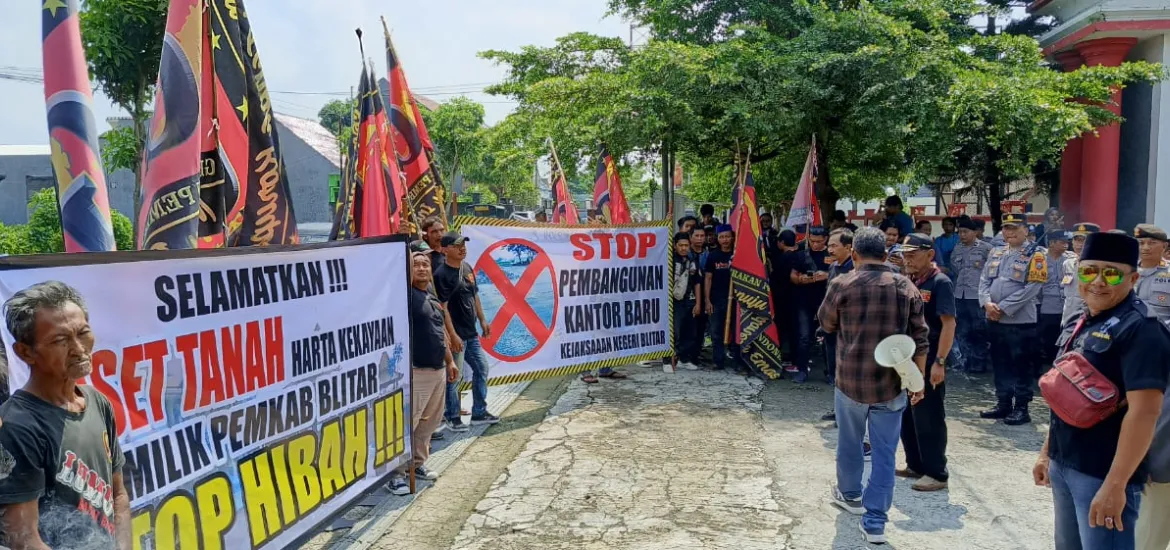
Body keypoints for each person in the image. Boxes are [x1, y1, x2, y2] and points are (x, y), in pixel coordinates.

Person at [1033, 231, 1170, 550]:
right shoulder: (1088, 319)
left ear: (1133, 278)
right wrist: (1046, 453)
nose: (1097, 281)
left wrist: (1116, 484)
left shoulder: (1143, 330)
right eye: (1088, 270)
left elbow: (1145, 413)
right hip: (1065, 463)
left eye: (1111, 273)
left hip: (1102, 473)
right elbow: (1068, 394)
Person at [818, 227, 930, 545]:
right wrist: (917, 382)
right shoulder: (904, 286)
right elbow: (920, 339)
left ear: (853, 254)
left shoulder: (841, 283)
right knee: (884, 454)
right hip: (892, 385)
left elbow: (826, 323)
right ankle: (876, 522)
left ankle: (850, 495)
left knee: (850, 443)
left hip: (850, 382)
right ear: (886, 255)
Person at [0, 282, 131, 549]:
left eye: (83, 333)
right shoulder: (16, 427)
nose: (79, 349)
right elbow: (23, 538)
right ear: (25, 352)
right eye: (60, 340)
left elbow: (118, 495)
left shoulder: (97, 402)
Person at [389, 252, 461, 495]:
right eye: (415, 265)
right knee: (407, 423)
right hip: (415, 371)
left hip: (438, 369)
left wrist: (449, 361)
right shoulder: (404, 297)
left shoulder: (430, 295)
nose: (421, 268)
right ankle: (396, 474)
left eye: (425, 264)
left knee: (428, 423)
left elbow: (439, 332)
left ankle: (415, 464)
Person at [898, 234, 957, 492]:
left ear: (930, 254)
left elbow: (948, 324)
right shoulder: (909, 281)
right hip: (908, 356)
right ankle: (916, 464)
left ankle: (936, 472)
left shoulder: (939, 282)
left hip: (931, 356)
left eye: (913, 254)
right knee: (908, 414)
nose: (907, 259)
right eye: (905, 254)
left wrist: (940, 362)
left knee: (929, 415)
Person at [979, 213, 1046, 425]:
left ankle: (1022, 408)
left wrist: (1004, 307)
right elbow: (984, 280)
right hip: (994, 318)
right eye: (1006, 228)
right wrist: (987, 303)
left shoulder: (1036, 254)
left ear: (1026, 230)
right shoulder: (996, 252)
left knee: (1021, 365)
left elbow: (1033, 287)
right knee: (1000, 363)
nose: (1010, 232)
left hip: (1020, 321)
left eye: (1015, 228)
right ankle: (1003, 403)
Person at [434, 232, 505, 425]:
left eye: (463, 244)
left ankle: (479, 412)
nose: (462, 248)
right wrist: (453, 335)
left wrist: (482, 320)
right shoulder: (441, 275)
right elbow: (443, 308)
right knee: (454, 377)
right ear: (445, 249)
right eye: (457, 245)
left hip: (471, 333)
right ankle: (452, 416)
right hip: (457, 336)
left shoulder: (467, 268)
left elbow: (475, 296)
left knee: (481, 368)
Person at [950, 218, 993, 373]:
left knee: (979, 330)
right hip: (959, 295)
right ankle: (966, 361)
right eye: (960, 232)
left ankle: (979, 363)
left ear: (975, 232)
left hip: (977, 295)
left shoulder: (986, 248)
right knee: (962, 330)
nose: (962, 235)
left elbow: (992, 272)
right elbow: (955, 268)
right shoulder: (957, 248)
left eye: (965, 232)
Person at [820, 229, 855, 422]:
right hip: (831, 327)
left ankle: (849, 413)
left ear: (849, 248)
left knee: (847, 371)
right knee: (834, 369)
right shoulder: (833, 267)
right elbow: (828, 297)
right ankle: (838, 408)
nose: (830, 249)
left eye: (834, 246)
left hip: (849, 329)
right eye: (829, 245)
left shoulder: (856, 269)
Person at [790, 226, 831, 383]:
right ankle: (801, 370)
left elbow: (845, 275)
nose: (815, 244)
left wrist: (826, 275)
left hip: (826, 301)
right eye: (812, 241)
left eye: (818, 241)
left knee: (828, 338)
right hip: (804, 301)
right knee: (804, 337)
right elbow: (792, 276)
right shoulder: (801, 255)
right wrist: (801, 279)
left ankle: (831, 372)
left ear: (826, 240)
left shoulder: (832, 256)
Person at [1036, 230, 1073, 378]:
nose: (1066, 244)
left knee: (1062, 338)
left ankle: (1058, 369)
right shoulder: (1040, 260)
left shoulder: (1070, 260)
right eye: (1061, 241)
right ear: (1051, 243)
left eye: (1066, 241)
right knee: (1045, 338)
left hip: (1066, 305)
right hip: (1046, 304)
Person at [705, 225, 740, 372]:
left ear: (732, 237)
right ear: (717, 239)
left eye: (727, 236)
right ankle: (718, 361)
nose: (725, 240)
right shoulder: (713, 255)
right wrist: (707, 300)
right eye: (721, 237)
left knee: (737, 330)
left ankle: (738, 361)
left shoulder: (738, 254)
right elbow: (708, 278)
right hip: (716, 300)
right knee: (716, 332)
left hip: (736, 300)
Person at [671, 232, 703, 371]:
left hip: (690, 300)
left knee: (690, 332)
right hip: (675, 300)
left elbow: (697, 282)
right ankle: (670, 359)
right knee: (675, 331)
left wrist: (698, 303)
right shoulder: (670, 260)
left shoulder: (693, 259)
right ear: (674, 246)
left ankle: (684, 358)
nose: (684, 248)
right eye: (681, 245)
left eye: (686, 245)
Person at [1061, 223, 1101, 326]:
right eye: (1076, 240)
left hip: (1088, 317)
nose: (1079, 244)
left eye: (1083, 240)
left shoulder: (1099, 267)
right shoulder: (1068, 263)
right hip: (1068, 317)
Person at [1133, 225, 1170, 322]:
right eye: (1141, 243)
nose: (1145, 248)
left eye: (1152, 243)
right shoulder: (1128, 271)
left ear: (1164, 246)